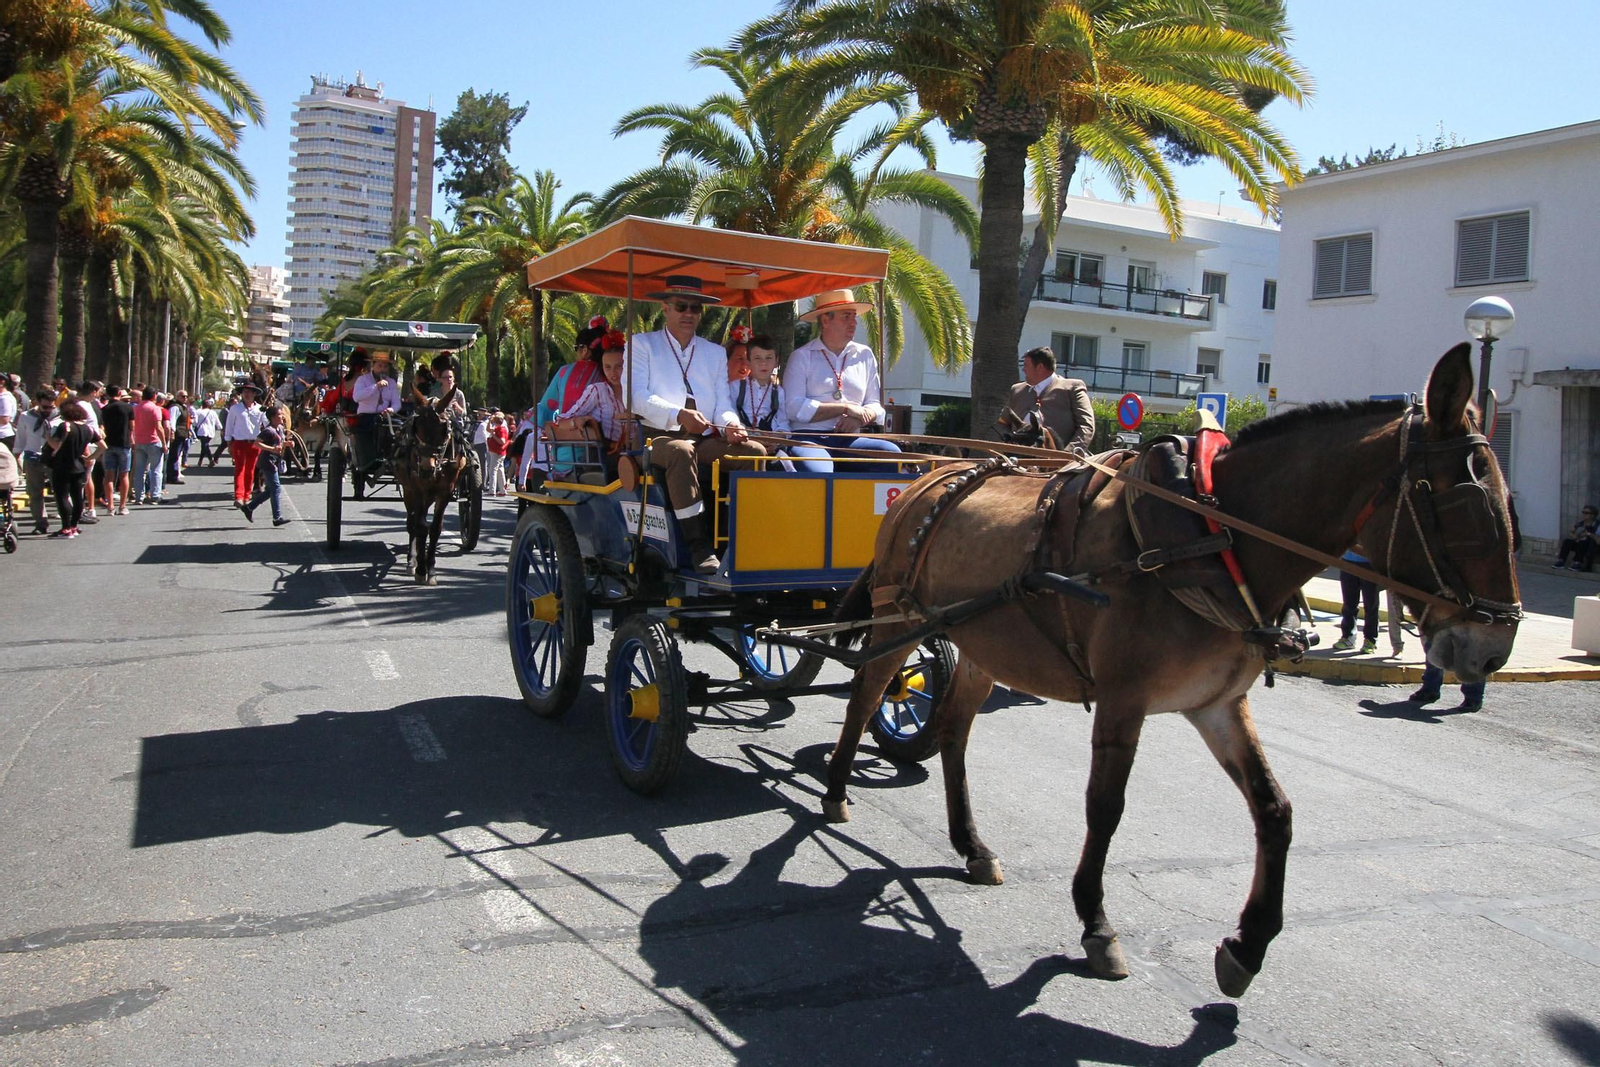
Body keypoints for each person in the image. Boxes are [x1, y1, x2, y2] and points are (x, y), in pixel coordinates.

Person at [628, 274, 765, 573]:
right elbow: (635, 397)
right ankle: (698, 546)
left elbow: (722, 404)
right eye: (681, 306)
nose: (689, 313)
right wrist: (679, 414)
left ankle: (744, 540)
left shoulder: (713, 352)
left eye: (695, 308)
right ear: (665, 309)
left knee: (755, 451)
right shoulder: (642, 345)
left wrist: (731, 424)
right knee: (679, 450)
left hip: (704, 439)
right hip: (657, 439)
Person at [783, 288, 901, 474]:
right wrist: (844, 408)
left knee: (892, 455)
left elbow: (875, 406)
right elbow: (793, 407)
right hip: (809, 438)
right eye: (846, 317)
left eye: (854, 317)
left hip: (850, 439)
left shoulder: (865, 355)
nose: (854, 323)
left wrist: (859, 419)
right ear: (826, 320)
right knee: (819, 471)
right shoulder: (801, 357)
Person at [732, 333, 831, 473]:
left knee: (788, 468)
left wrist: (777, 438)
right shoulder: (736, 388)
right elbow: (731, 417)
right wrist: (751, 435)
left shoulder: (779, 392)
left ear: (776, 361)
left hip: (773, 448)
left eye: (768, 358)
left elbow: (783, 424)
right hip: (744, 443)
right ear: (748, 362)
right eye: (757, 358)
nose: (763, 363)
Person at [998, 346, 1095, 451]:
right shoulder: (1017, 390)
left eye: (1026, 365)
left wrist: (1068, 454)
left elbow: (1086, 426)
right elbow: (1003, 423)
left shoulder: (1071, 388)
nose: (1023, 369)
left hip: (1059, 460)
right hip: (1018, 458)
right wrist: (1010, 442)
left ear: (1039, 367)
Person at [551, 330, 630, 454]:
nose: (613, 373)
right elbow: (562, 420)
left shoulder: (637, 392)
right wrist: (576, 421)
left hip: (633, 451)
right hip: (606, 455)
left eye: (619, 366)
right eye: (607, 367)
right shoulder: (597, 390)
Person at [537, 316, 609, 434]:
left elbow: (546, 407)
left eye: (576, 348)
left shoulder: (564, 371)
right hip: (601, 442)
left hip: (566, 440)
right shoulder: (609, 373)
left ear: (584, 350)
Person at [43, 399, 94, 537]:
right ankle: (74, 526)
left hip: (62, 466)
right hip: (79, 466)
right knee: (78, 497)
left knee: (62, 497)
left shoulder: (65, 426)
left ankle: (65, 528)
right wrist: (89, 458)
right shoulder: (87, 429)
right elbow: (103, 446)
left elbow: (56, 445)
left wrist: (47, 437)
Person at [12, 390, 59, 534]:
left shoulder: (59, 417)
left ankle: (68, 522)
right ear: (37, 403)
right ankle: (40, 523)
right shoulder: (26, 417)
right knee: (35, 493)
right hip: (33, 458)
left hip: (53, 458)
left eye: (51, 407)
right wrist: (16, 458)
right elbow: (20, 439)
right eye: (45, 407)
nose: (48, 410)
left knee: (60, 491)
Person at [239, 405, 291, 526]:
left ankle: (249, 508)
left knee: (270, 490)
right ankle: (277, 518)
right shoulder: (268, 431)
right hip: (268, 462)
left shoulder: (280, 428)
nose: (282, 416)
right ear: (272, 417)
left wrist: (287, 444)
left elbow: (279, 443)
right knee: (276, 488)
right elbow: (257, 444)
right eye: (279, 415)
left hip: (275, 462)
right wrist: (272, 449)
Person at [352, 351, 400, 475]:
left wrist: (391, 409)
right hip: (366, 416)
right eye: (379, 366)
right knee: (366, 431)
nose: (382, 369)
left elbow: (396, 403)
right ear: (373, 366)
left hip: (385, 417)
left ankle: (394, 458)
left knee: (400, 428)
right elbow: (357, 397)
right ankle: (368, 461)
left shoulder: (392, 383)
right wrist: (375, 386)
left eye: (385, 366)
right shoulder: (362, 380)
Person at [224, 382, 267, 506]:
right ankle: (238, 496)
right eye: (244, 392)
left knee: (250, 470)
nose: (247, 394)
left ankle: (247, 495)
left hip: (254, 443)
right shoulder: (235, 409)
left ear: (254, 394)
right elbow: (229, 426)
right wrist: (229, 443)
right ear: (241, 394)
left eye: (249, 392)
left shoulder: (260, 409)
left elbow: (266, 423)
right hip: (239, 442)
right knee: (239, 469)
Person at [1331, 549, 1380, 654]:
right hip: (1347, 561)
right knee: (1349, 603)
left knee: (1371, 604)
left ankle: (1370, 640)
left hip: (1369, 563)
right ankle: (1348, 637)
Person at [131, 386, 170, 505]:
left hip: (139, 441)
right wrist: (164, 443)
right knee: (156, 470)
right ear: (154, 396)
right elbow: (159, 427)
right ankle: (155, 496)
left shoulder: (135, 408)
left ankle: (139, 497)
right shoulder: (155, 409)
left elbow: (132, 426)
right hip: (153, 441)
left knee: (139, 470)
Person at [99, 386, 135, 515]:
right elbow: (132, 427)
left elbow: (101, 427)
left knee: (109, 476)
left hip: (109, 444)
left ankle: (110, 506)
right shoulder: (128, 408)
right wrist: (132, 440)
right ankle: (123, 506)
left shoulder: (104, 409)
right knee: (124, 475)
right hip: (124, 444)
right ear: (119, 393)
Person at [1554, 505, 1598, 571]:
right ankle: (1561, 561)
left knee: (1582, 543)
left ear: (1592, 515)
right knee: (1567, 541)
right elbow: (1571, 532)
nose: (1583, 514)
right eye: (1583, 512)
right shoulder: (1580, 524)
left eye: (1586, 513)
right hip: (1580, 543)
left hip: (1591, 546)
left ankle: (1578, 563)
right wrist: (1573, 536)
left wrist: (1588, 534)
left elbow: (1598, 539)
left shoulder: (1596, 525)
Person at [165, 391, 193, 485]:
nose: (185, 398)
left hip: (182, 434)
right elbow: (172, 420)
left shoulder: (183, 407)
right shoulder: (175, 407)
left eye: (186, 396)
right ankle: (172, 476)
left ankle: (173, 475)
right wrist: (172, 432)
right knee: (174, 455)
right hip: (177, 435)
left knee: (177, 455)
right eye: (183, 396)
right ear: (177, 397)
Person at [484, 411, 510, 495]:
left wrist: (494, 436)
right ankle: (502, 490)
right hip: (499, 452)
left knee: (493, 471)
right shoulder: (499, 428)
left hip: (497, 452)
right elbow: (487, 429)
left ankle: (492, 490)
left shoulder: (501, 430)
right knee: (500, 470)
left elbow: (502, 441)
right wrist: (489, 421)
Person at [191, 398, 221, 468]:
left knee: (205, 445)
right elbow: (218, 423)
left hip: (202, 430)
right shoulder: (213, 412)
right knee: (204, 445)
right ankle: (200, 460)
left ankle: (211, 460)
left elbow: (195, 422)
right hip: (211, 431)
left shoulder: (198, 412)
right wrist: (220, 429)